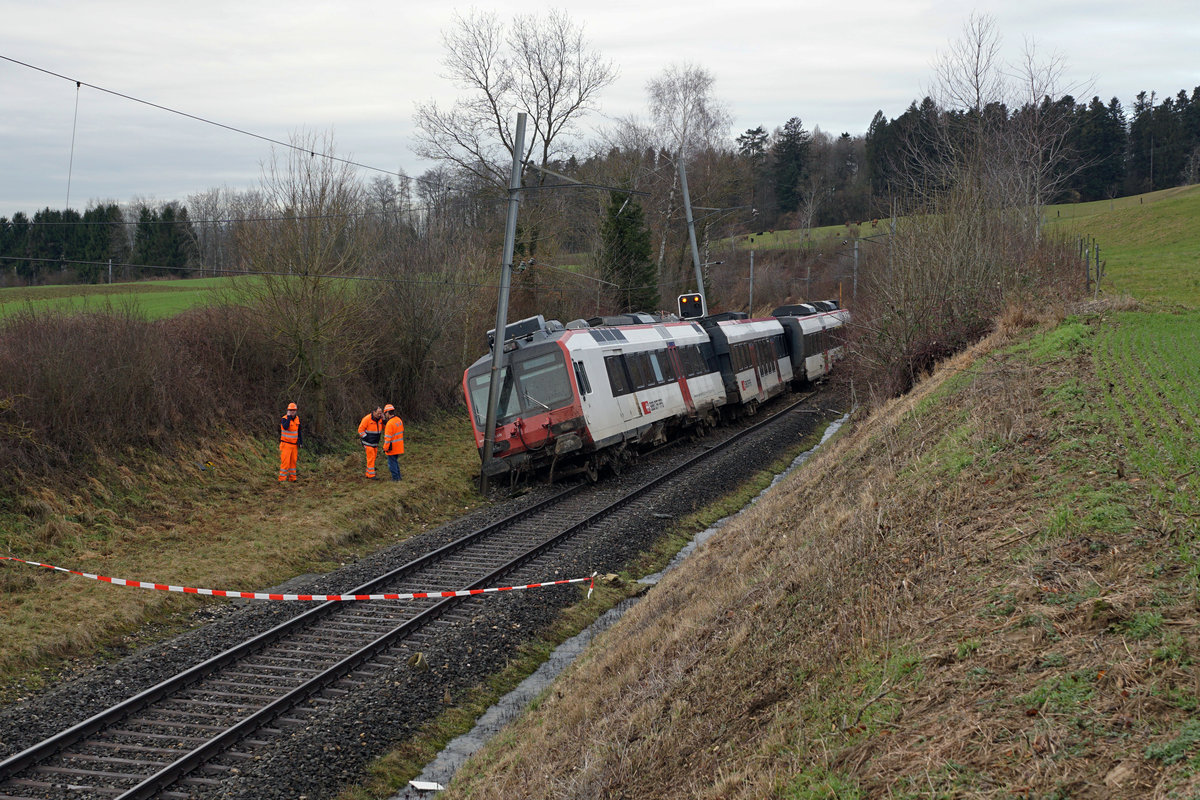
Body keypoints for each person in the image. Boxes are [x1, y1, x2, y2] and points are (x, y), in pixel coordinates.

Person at [357, 406, 384, 479]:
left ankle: (368, 473)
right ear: (374, 412)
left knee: (373, 457)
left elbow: (385, 426)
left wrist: (384, 419)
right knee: (371, 458)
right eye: (378, 413)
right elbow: (360, 430)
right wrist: (367, 438)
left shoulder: (380, 419)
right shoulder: (367, 419)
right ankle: (371, 475)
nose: (379, 415)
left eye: (381, 413)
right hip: (368, 443)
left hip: (375, 443)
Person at [279, 402, 302, 482]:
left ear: (296, 411)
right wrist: (288, 417)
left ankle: (292, 479)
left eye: (294, 410)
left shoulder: (297, 419)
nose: (292, 411)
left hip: (294, 445)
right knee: (285, 463)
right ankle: (282, 479)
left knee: (293, 463)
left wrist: (300, 442)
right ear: (288, 411)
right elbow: (285, 427)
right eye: (290, 410)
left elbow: (299, 432)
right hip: (286, 445)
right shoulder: (284, 419)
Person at [382, 404, 404, 482]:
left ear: (388, 413)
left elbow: (387, 438)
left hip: (392, 447)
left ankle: (395, 478)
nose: (385, 415)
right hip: (399, 446)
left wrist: (385, 448)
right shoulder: (399, 420)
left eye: (385, 413)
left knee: (392, 464)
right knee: (395, 462)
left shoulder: (390, 424)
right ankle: (399, 477)